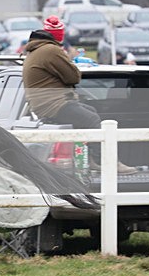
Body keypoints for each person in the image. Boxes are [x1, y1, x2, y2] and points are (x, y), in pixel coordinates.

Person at [22, 16, 137, 175]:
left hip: (43, 104)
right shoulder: (51, 50)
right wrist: (69, 60)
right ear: (58, 35)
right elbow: (74, 77)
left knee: (90, 111)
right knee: (91, 119)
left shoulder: (35, 50)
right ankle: (106, 162)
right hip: (54, 103)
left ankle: (91, 159)